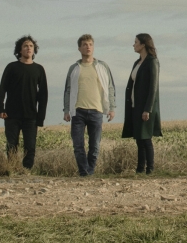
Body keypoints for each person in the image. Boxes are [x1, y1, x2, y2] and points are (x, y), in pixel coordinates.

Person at [62, 34, 116, 176]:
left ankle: (89, 172)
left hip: (96, 111)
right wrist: (66, 110)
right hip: (78, 111)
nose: (88, 47)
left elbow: (110, 87)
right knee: (78, 145)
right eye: (85, 44)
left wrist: (112, 108)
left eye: (90, 44)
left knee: (95, 146)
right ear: (79, 48)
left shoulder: (102, 67)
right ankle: (84, 172)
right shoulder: (74, 68)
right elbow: (67, 90)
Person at [0, 35, 48, 171]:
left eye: (31, 46)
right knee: (12, 145)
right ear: (20, 50)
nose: (28, 48)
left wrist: (40, 117)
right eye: (25, 46)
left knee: (30, 146)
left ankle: (26, 171)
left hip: (31, 115)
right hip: (11, 114)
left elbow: (43, 95)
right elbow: (2, 88)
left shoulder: (39, 69)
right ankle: (11, 169)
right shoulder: (11, 67)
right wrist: (0, 108)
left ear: (34, 50)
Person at [122, 33, 163, 174]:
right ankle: (140, 169)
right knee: (139, 138)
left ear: (143, 44)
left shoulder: (152, 62)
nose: (133, 45)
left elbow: (153, 88)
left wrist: (148, 109)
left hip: (145, 107)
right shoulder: (137, 62)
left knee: (146, 139)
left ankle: (150, 169)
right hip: (135, 106)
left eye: (136, 42)